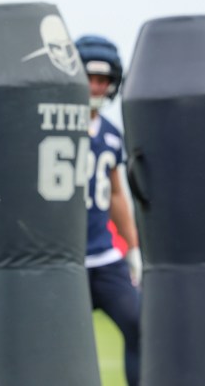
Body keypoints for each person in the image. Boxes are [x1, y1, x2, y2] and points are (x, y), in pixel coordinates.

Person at [75, 35, 142, 386]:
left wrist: (132, 247)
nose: (97, 86)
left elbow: (116, 194)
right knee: (63, 342)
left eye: (104, 80)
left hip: (103, 256)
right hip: (65, 261)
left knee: (140, 325)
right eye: (90, 77)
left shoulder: (112, 134)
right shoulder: (54, 126)